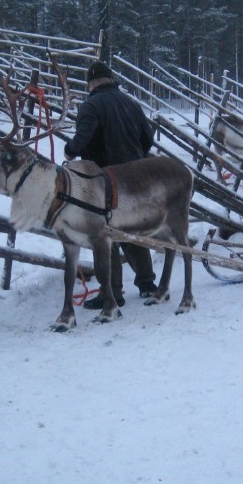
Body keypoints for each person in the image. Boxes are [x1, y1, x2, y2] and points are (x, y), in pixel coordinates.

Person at [64, 60, 158, 309]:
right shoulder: (131, 103)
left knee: (104, 234)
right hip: (136, 179)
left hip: (105, 181)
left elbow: (82, 139)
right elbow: (147, 138)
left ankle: (111, 293)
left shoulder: (91, 105)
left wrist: (69, 150)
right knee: (131, 229)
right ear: (111, 79)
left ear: (90, 83)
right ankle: (147, 283)